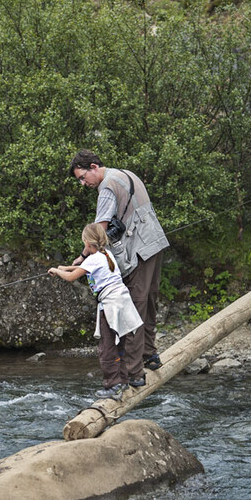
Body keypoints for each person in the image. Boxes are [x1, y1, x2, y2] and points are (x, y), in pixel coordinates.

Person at [68, 150, 169, 388]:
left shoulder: (107, 187)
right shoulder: (126, 174)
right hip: (155, 243)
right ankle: (150, 356)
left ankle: (135, 373)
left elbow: (98, 231)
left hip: (138, 253)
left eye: (83, 177)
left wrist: (83, 257)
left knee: (133, 308)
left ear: (94, 166)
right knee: (150, 301)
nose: (84, 184)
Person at [48, 223, 143, 401]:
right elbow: (80, 269)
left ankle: (112, 385)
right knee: (119, 343)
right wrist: (64, 267)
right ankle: (122, 380)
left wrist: (56, 271)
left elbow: (71, 277)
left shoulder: (94, 259)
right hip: (122, 302)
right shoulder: (106, 255)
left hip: (111, 305)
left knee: (106, 347)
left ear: (88, 242)